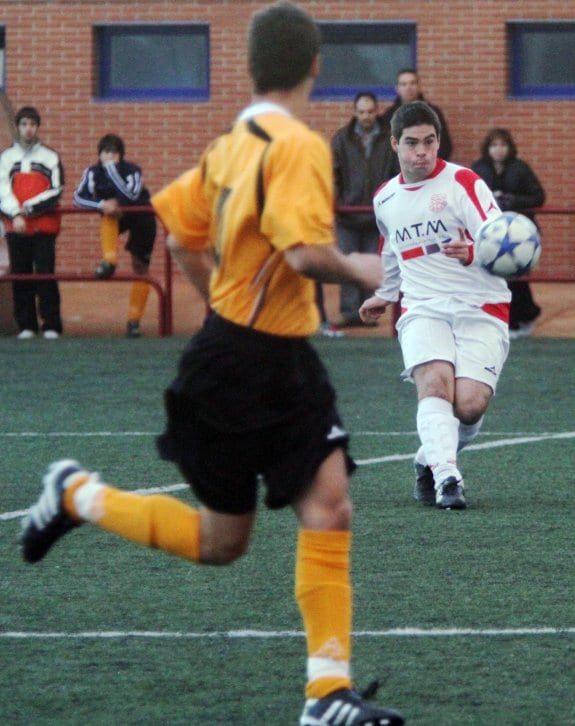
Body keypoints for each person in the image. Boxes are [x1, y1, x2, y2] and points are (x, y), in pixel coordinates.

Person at [20, 3, 403, 725]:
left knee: (330, 507)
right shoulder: (294, 145)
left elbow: (177, 239)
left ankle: (326, 693)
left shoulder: (235, 142)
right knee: (219, 542)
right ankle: (78, 496)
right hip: (240, 366)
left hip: (270, 358)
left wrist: (222, 306)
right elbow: (300, 254)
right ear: (316, 67)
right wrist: (362, 267)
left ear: (249, 66)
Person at [360, 101, 510, 511]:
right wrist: (386, 294)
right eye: (411, 143)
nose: (421, 152)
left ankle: (428, 457)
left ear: (438, 141)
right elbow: (391, 250)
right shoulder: (385, 199)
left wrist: (474, 251)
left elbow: (503, 241)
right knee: (434, 385)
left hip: (481, 306)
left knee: (469, 405)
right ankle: (447, 478)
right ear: (395, 144)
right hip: (422, 306)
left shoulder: (464, 182)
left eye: (429, 142)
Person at [73, 134, 157, 338]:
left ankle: (134, 321)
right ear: (99, 154)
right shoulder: (92, 172)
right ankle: (109, 261)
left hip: (142, 217)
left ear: (121, 155)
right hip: (114, 216)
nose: (110, 156)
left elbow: (132, 196)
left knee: (141, 268)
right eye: (105, 152)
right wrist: (102, 204)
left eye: (114, 153)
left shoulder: (133, 170)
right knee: (107, 215)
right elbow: (78, 198)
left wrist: (112, 172)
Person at [471, 128, 545, 339]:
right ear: (487, 148)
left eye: (503, 145)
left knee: (516, 279)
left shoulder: (520, 168)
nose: (499, 150)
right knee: (493, 279)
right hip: (489, 235)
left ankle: (522, 317)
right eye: (494, 145)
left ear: (510, 147)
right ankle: (503, 319)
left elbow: (539, 196)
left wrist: (513, 200)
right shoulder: (478, 168)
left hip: (519, 236)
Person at [0, 106, 64, 339]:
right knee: (21, 275)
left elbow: (56, 190)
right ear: (18, 127)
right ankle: (26, 325)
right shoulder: (6, 158)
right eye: (24, 124)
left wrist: (27, 209)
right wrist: (15, 214)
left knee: (46, 274)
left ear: (38, 127)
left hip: (44, 227)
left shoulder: (50, 157)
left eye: (33, 124)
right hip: (15, 228)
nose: (28, 129)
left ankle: (51, 325)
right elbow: (2, 190)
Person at [331, 91, 393, 327]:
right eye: (361, 112)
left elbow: (395, 173)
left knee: (371, 264)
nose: (366, 116)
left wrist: (388, 202)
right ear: (355, 113)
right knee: (347, 264)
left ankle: (368, 314)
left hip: (377, 214)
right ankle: (349, 313)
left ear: (377, 110)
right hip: (347, 213)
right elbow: (332, 174)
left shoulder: (389, 139)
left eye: (370, 111)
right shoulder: (341, 139)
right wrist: (338, 201)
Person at [378, 68, 453, 179]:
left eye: (412, 83)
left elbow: (445, 145)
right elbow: (384, 150)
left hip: (429, 175)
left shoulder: (433, 113)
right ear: (397, 89)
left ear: (419, 86)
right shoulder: (388, 117)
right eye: (404, 84)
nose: (409, 87)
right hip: (398, 176)